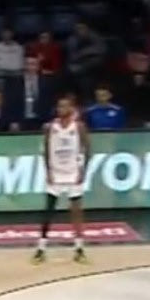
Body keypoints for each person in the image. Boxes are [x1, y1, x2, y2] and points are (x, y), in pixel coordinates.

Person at [33, 96, 90, 265]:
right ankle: (41, 249)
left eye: (65, 106)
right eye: (59, 106)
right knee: (48, 211)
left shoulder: (79, 127)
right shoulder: (50, 127)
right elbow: (45, 150)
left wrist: (83, 171)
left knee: (76, 211)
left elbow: (88, 149)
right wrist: (48, 171)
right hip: (56, 173)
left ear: (72, 108)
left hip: (73, 173)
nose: (61, 109)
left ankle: (79, 249)